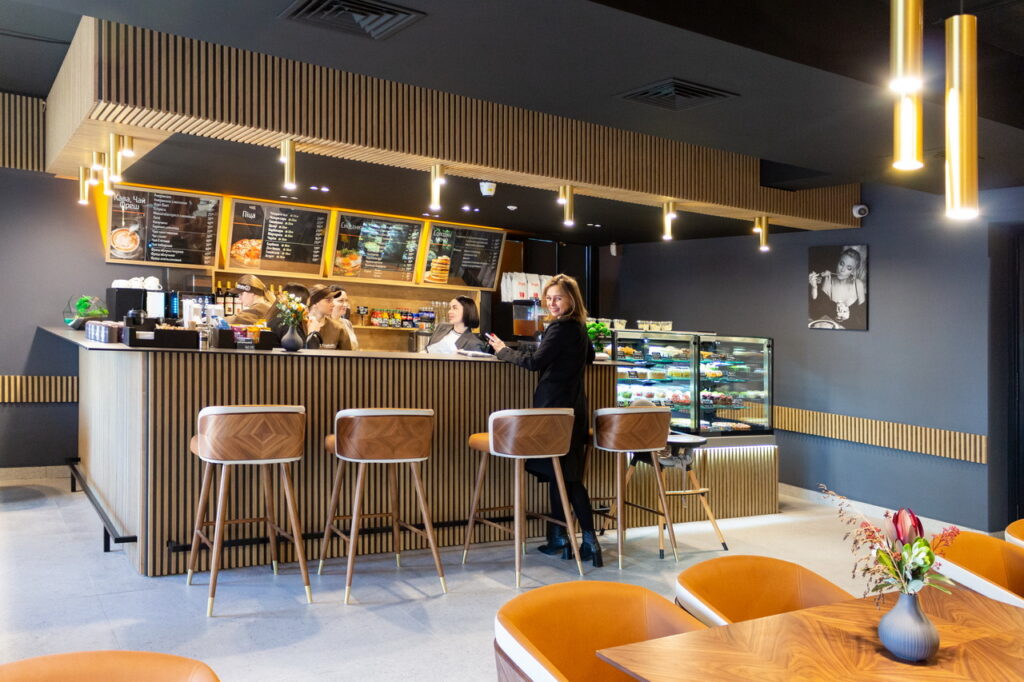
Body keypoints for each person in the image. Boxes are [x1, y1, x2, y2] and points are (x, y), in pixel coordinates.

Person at [486, 274, 601, 566]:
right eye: (548, 298)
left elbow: (534, 363)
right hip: (574, 408)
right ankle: (568, 539)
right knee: (563, 473)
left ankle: (581, 539)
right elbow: (589, 356)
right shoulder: (578, 326)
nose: (552, 303)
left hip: (553, 408)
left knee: (565, 476)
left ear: (571, 299)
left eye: (558, 298)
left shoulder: (560, 327)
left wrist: (502, 351)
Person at [809, 247, 867, 328]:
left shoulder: (858, 285)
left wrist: (849, 316)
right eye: (841, 264)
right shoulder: (828, 281)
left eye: (849, 268)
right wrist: (814, 287)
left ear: (853, 271)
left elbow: (863, 321)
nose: (842, 270)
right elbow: (815, 314)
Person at [328, 286, 360, 351]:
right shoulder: (324, 324)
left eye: (346, 301)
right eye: (341, 301)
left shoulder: (347, 323)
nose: (345, 305)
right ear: (330, 302)